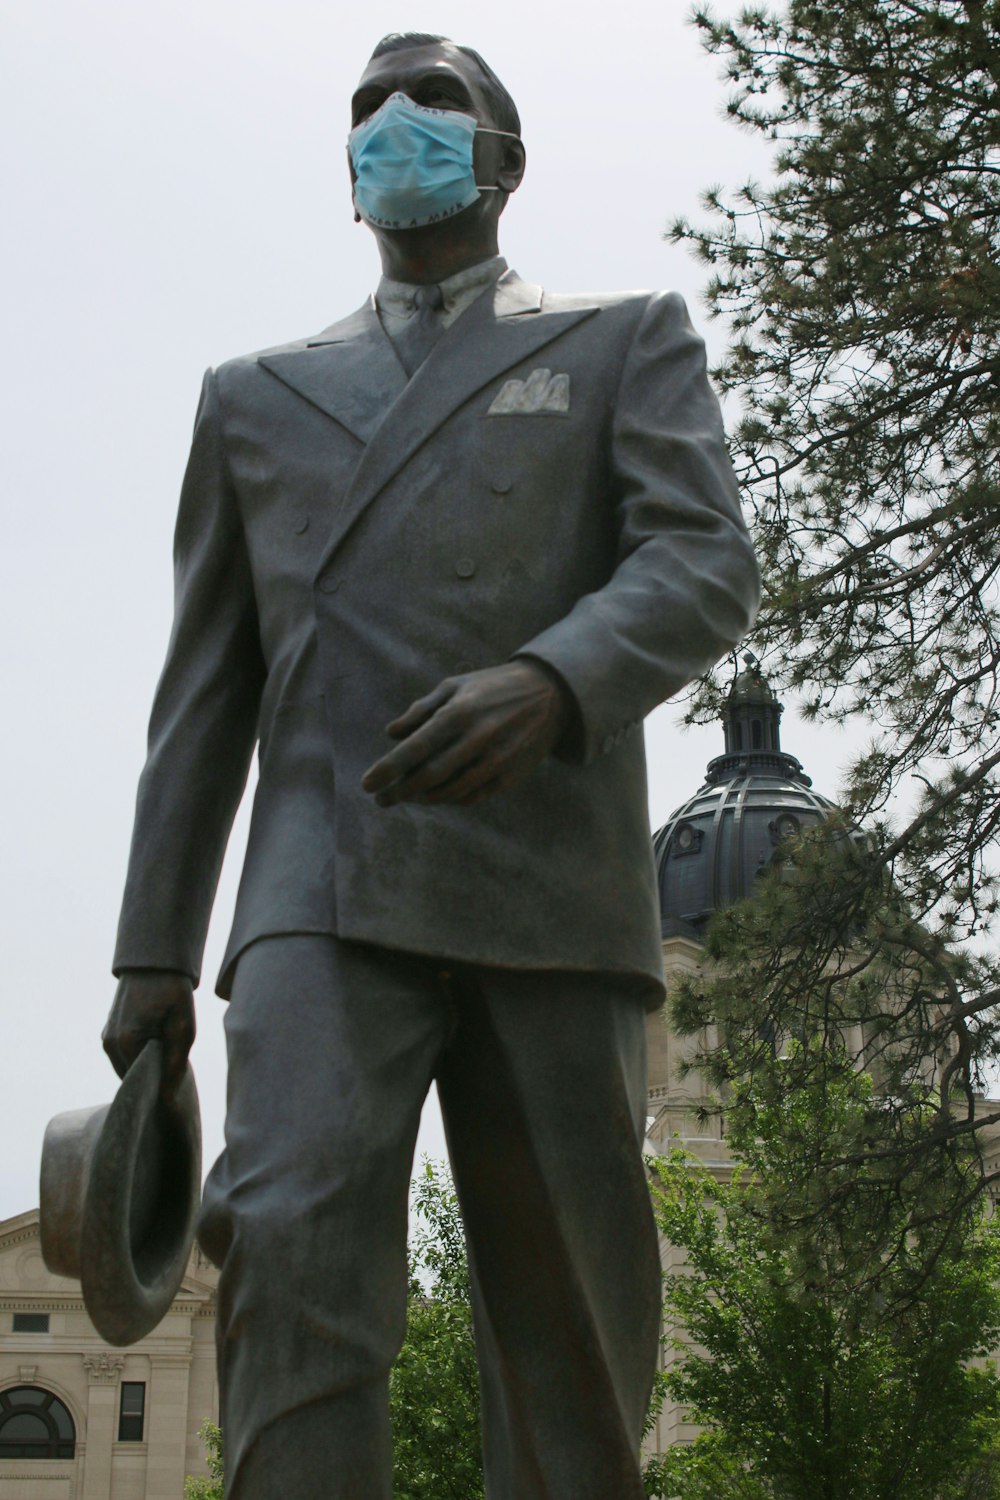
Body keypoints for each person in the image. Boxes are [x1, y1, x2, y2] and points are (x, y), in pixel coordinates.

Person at [102, 31, 760, 1500]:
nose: (397, 123)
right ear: (348, 177)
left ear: (503, 157)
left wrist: (553, 677)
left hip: (550, 871)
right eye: (368, 111)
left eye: (436, 100)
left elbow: (706, 558)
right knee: (284, 1231)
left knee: (569, 1307)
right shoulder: (253, 394)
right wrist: (150, 956)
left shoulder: (620, 338)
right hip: (317, 882)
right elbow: (201, 698)